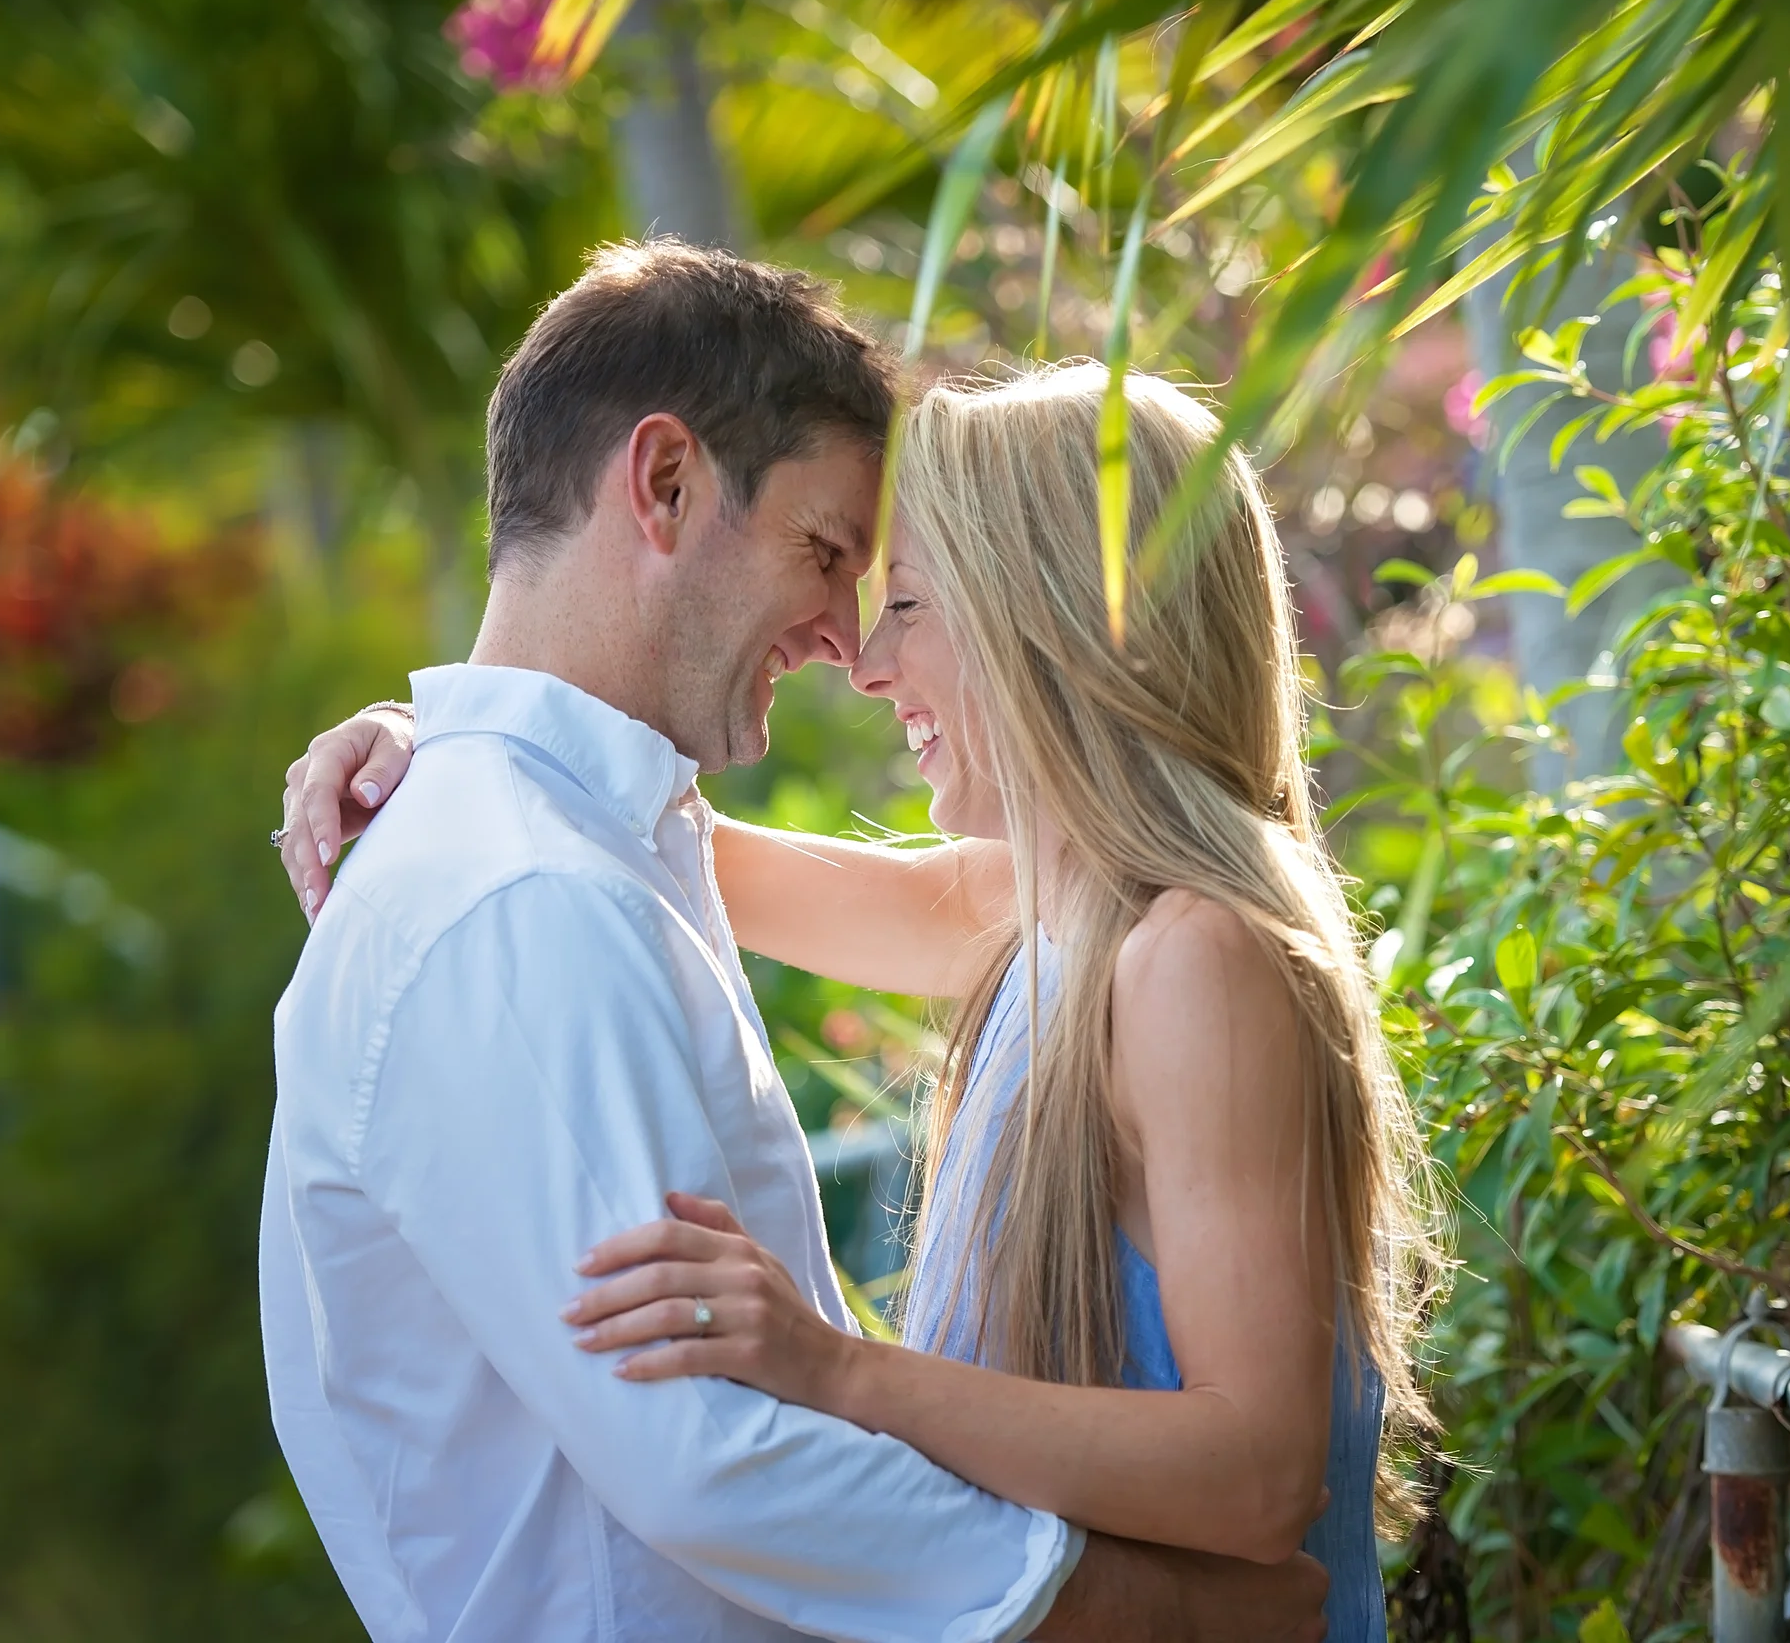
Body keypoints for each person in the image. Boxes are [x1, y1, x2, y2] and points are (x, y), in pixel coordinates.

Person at [263, 239, 1330, 1643]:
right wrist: (447, 745)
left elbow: (621, 822)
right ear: (663, 484)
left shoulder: (1148, 940)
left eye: (901, 600)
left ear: (1059, 628)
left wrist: (838, 1369)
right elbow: (603, 817)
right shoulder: (524, 888)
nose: (856, 652)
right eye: (832, 559)